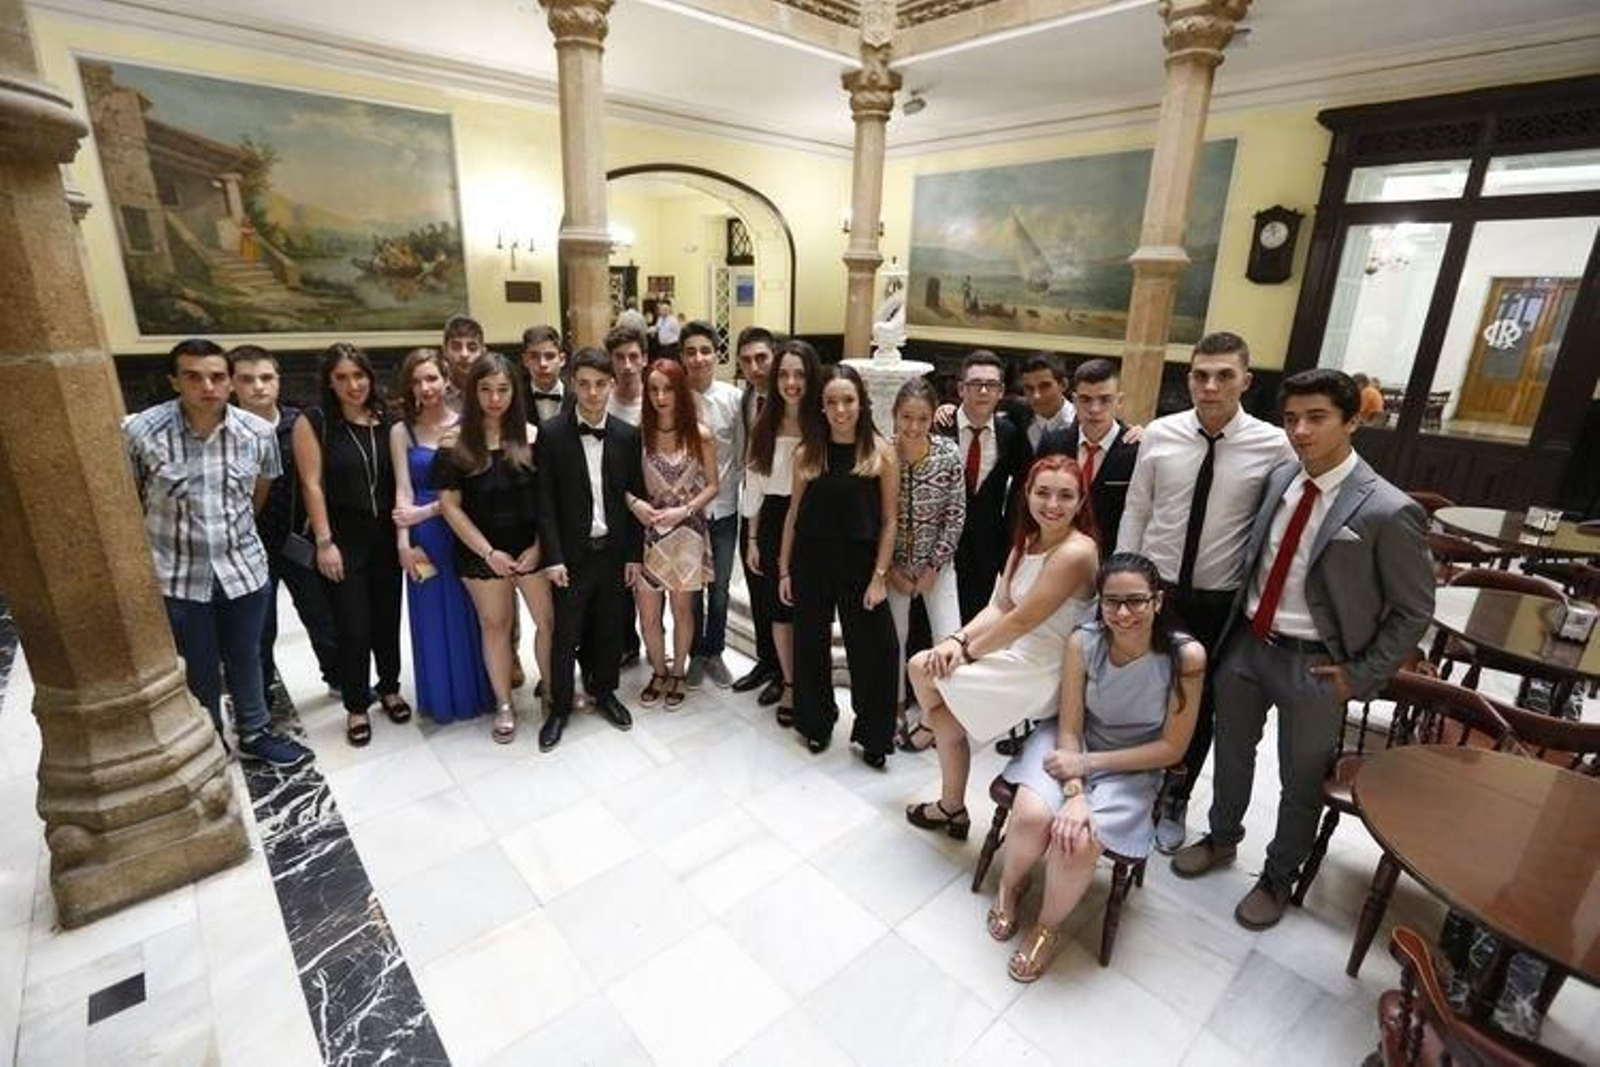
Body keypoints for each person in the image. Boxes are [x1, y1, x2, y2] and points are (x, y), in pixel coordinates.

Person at [1171, 369, 1435, 931]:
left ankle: (1277, 876)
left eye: (1317, 418)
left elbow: (1414, 610)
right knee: (1231, 753)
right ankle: (1221, 837)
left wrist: (1359, 675)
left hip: (1317, 664)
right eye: (1291, 418)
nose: (1301, 430)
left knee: (1299, 778)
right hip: (1248, 645)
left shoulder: (1386, 509)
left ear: (1352, 421)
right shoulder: (1281, 478)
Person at [1117, 331, 1296, 854]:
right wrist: (1123, 583)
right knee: (1146, 688)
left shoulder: (1274, 445)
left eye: (1223, 375)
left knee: (1199, 702)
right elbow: (1138, 509)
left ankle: (1176, 795)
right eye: (1200, 375)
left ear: (1246, 380)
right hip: (1159, 590)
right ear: (1188, 378)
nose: (1210, 386)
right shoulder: (1161, 435)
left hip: (1222, 600)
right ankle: (1134, 784)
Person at [993, 552, 1204, 982]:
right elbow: (1069, 727)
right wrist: (1074, 791)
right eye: (1112, 602)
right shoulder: (1083, 642)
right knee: (1034, 815)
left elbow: (1171, 747)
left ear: (1157, 601)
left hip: (1133, 763)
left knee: (1078, 842)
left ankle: (1047, 926)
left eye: (1136, 601)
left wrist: (1087, 767)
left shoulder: (1186, 657)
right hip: (1072, 742)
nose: (1123, 613)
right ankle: (1010, 885)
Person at [125, 339, 313, 769]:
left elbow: (260, 490)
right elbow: (129, 498)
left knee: (247, 653)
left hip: (243, 568)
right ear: (175, 380)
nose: (207, 386)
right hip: (178, 574)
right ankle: (208, 736)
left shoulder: (257, 432)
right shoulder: (142, 432)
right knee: (200, 664)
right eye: (193, 376)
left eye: (216, 376)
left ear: (229, 382)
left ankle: (255, 731)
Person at [903, 455, 1098, 840]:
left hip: (1048, 667)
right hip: (1014, 646)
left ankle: (929, 729)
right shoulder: (1027, 539)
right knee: (933, 687)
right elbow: (1001, 606)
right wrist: (956, 640)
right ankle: (953, 809)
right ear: (1026, 494)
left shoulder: (1078, 551)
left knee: (921, 672)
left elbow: (1023, 618)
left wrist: (968, 653)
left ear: (1080, 502)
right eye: (1043, 493)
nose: (1053, 505)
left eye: (1065, 496)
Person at [779, 363, 900, 768]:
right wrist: (784, 569)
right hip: (811, 559)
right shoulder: (807, 452)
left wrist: (880, 576)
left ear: (862, 403)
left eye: (848, 400)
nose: (840, 409)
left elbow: (890, 520)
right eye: (831, 401)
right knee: (810, 644)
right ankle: (816, 721)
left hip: (861, 563)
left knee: (877, 649)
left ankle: (875, 732)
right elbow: (794, 514)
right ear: (822, 406)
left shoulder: (880, 452)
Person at [293, 343, 411, 746]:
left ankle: (390, 687)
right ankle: (357, 705)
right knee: (353, 626)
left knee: (387, 619)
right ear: (329, 380)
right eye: (342, 377)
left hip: (384, 535)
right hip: (342, 537)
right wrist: (325, 541)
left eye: (359, 376)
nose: (353, 385)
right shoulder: (316, 422)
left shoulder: (387, 418)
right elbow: (311, 484)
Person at [536, 347, 646, 751]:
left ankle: (605, 692)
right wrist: (552, 558)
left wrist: (634, 554)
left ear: (612, 385)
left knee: (609, 627)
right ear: (572, 384)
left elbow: (634, 497)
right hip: (571, 555)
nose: (593, 392)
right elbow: (545, 503)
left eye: (601, 384)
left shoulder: (627, 435)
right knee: (565, 632)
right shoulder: (552, 435)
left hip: (614, 551)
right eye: (583, 384)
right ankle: (560, 706)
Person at [434, 353, 548, 743]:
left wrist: (538, 546)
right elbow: (449, 506)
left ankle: (552, 689)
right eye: (485, 389)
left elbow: (550, 502)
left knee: (548, 623)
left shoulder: (533, 437)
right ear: (473, 392)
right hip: (482, 553)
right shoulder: (454, 443)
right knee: (495, 626)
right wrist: (488, 554)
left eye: (502, 389)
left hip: (531, 549)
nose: (494, 398)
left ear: (515, 392)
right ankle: (504, 703)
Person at [229, 345, 342, 707]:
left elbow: (320, 480)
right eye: (247, 379)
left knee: (320, 614)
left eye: (266, 378)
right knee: (259, 628)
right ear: (233, 384)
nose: (258, 387)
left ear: (278, 380)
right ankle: (259, 696)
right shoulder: (225, 431)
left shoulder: (300, 424)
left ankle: (339, 678)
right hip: (248, 546)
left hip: (298, 539)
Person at [389, 348, 495, 724]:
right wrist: (403, 544)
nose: (425, 387)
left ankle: (478, 692)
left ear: (446, 378)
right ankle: (441, 698)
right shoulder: (401, 432)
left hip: (462, 528)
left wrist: (431, 509)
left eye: (431, 378)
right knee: (431, 617)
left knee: (473, 613)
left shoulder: (466, 422)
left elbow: (473, 486)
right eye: (417, 381)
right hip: (424, 537)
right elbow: (402, 490)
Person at [630, 359, 718, 710]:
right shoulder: (638, 434)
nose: (660, 396)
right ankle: (658, 669)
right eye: (653, 389)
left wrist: (685, 510)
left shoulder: (701, 434)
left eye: (668, 388)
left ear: (680, 391)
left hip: (687, 534)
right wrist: (636, 504)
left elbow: (713, 485)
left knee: (683, 611)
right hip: (649, 534)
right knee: (648, 615)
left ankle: (679, 670)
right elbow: (622, 484)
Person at [886, 378, 966, 753]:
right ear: (894, 416)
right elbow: (876, 518)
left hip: (939, 565)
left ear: (933, 416)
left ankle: (938, 718)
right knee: (895, 640)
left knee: (948, 639)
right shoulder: (883, 454)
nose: (914, 426)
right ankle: (897, 706)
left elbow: (955, 512)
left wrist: (935, 565)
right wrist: (892, 570)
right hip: (895, 568)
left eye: (922, 418)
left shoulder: (948, 453)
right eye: (906, 417)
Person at [743, 338, 819, 728]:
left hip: (815, 521)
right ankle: (789, 682)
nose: (791, 382)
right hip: (772, 520)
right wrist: (753, 538)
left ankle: (810, 684)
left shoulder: (823, 420)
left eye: (799, 374)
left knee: (811, 610)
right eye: (784, 374)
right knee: (779, 609)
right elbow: (754, 482)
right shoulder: (765, 422)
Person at [940, 351, 1033, 625]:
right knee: (926, 622)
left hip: (987, 546)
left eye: (991, 385)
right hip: (939, 544)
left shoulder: (1010, 433)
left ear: (1001, 391)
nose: (983, 391)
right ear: (960, 389)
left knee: (973, 620)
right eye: (975, 384)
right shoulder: (939, 427)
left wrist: (1015, 540)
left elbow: (1024, 485)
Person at [681, 321, 743, 690]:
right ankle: (694, 655)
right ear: (683, 357)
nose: (699, 358)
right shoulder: (673, 398)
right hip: (686, 513)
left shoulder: (734, 399)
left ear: (716, 354)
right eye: (691, 351)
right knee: (690, 591)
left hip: (724, 508)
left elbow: (743, 452)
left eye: (705, 350)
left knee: (718, 589)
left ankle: (714, 651)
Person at [1036, 359, 1140, 552]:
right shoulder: (1052, 442)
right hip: (1054, 554)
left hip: (1109, 561)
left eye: (1105, 399)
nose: (1094, 409)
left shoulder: (1137, 450)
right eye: (1085, 399)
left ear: (1119, 402)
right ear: (1074, 401)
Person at [731, 326, 784, 703]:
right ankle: (766, 660)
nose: (755, 367)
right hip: (752, 506)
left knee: (781, 596)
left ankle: (786, 673)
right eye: (747, 360)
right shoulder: (747, 397)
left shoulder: (793, 399)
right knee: (756, 584)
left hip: (785, 510)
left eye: (761, 358)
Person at [1018, 353, 1074, 450]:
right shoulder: (1017, 422)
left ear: (1064, 385)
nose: (1036, 396)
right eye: (1029, 388)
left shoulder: (1083, 421)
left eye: (1045, 386)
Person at [521, 325, 572, 425]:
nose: (542, 364)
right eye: (534, 357)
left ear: (562, 360)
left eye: (550, 356)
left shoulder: (578, 396)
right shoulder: (515, 400)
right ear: (525, 361)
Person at [604, 323, 647, 426]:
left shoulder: (657, 402)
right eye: (619, 357)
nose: (627, 365)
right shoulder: (602, 403)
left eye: (633, 357)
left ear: (644, 359)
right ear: (610, 360)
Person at [441, 314, 486, 408]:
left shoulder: (494, 392)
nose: (464, 354)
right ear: (444, 351)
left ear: (483, 352)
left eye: (472, 348)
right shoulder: (435, 394)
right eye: (456, 347)